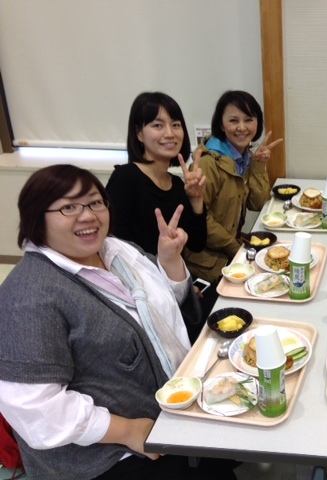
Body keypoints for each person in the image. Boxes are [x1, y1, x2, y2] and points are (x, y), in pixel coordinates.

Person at [0, 165, 237, 480]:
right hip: (109, 458)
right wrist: (128, 430)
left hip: (165, 419)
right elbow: (37, 411)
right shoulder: (29, 296)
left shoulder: (117, 251)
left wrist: (168, 260)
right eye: (68, 207)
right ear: (36, 218)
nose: (87, 216)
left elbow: (165, 307)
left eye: (95, 202)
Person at [183, 90, 283, 290]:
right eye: (233, 120)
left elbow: (257, 203)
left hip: (229, 250)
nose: (242, 127)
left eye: (248, 120)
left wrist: (258, 165)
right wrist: (236, 248)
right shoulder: (209, 163)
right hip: (206, 262)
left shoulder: (242, 155)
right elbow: (201, 219)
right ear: (221, 124)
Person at [106, 92, 207, 257]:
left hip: (173, 272)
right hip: (140, 274)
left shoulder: (177, 184)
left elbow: (197, 244)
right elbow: (115, 249)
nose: (170, 133)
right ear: (139, 133)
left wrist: (196, 200)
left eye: (175, 125)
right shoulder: (126, 178)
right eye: (158, 125)